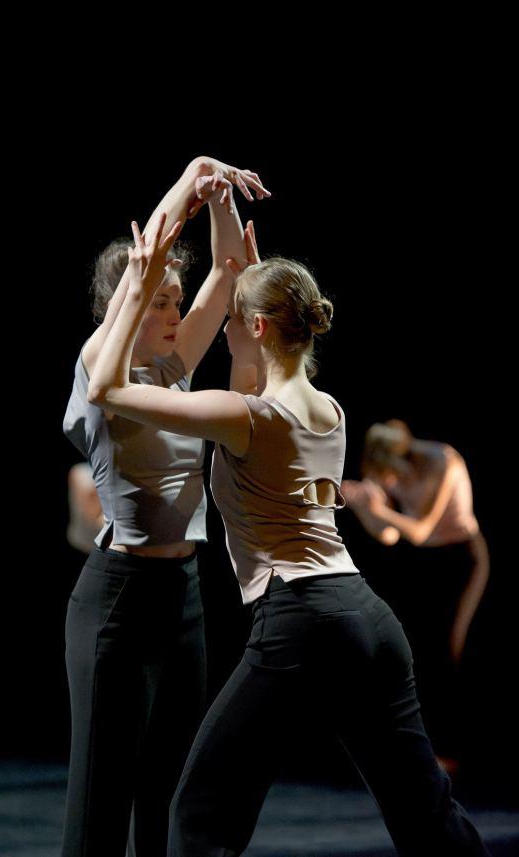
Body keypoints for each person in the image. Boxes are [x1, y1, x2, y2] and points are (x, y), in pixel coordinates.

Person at [87, 215, 491, 856]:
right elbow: (250, 395)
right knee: (427, 814)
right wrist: (237, 256)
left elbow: (107, 389)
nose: (219, 330)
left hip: (301, 619)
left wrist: (136, 290)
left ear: (256, 327)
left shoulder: (246, 417)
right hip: (366, 616)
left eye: (231, 320)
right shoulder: (329, 410)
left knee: (200, 811)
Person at [61, 156, 271, 857]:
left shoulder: (173, 372)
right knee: (100, 803)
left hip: (181, 595)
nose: (176, 313)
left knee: (168, 791)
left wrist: (219, 199)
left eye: (177, 301)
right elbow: (146, 261)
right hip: (117, 601)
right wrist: (192, 174)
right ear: (128, 300)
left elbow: (231, 274)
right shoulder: (100, 368)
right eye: (161, 301)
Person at [341, 420, 490, 774]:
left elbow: (422, 530)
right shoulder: (395, 470)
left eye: (389, 473)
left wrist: (380, 509)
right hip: (425, 564)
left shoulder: (444, 462)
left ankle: (453, 749)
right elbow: (389, 534)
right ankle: (423, 750)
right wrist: (362, 507)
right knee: (413, 650)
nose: (389, 481)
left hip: (461, 558)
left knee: (448, 651)